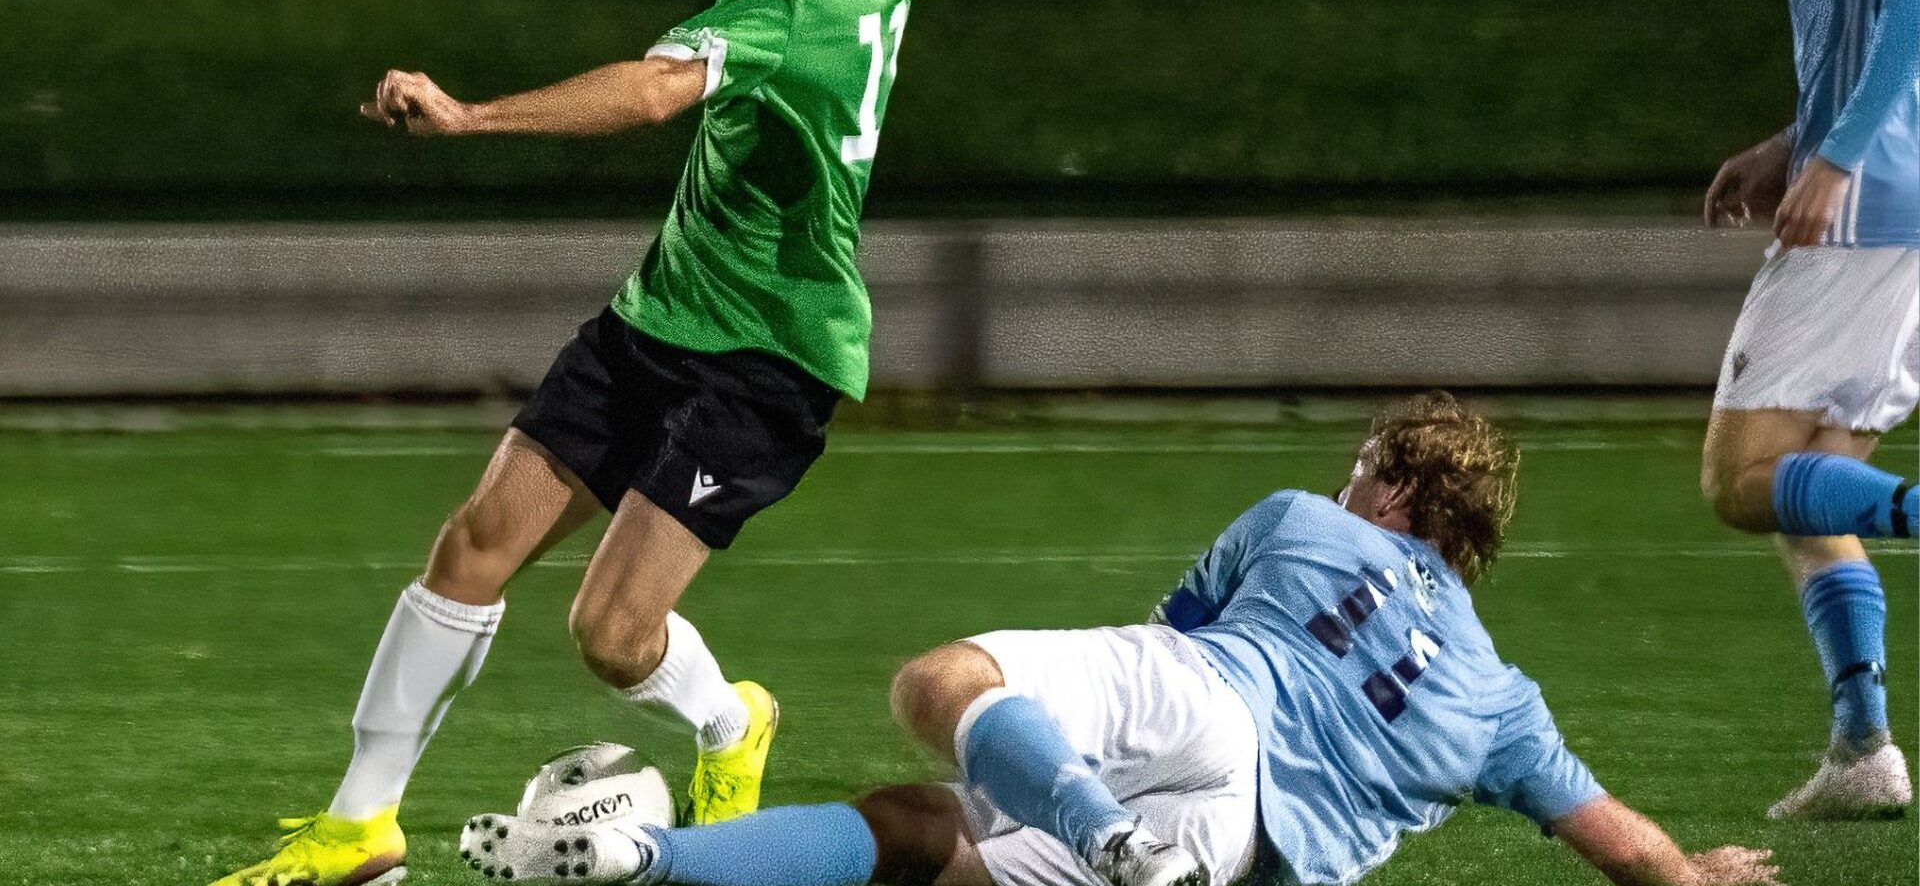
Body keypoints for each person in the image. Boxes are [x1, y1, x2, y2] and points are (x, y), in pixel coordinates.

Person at [206, 0, 1021, 883]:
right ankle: (360, 825)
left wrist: (470, 118)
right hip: (654, 321)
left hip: (767, 363)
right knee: (471, 547)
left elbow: (651, 90)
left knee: (611, 634)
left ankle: (729, 723)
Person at [458, 393, 1782, 886]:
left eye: (1361, 467)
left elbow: (1170, 637)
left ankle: (1095, 829)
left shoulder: (1301, 524)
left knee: (944, 685)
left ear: (1403, 492)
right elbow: (1621, 844)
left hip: (1198, 699)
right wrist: (1702, 874)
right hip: (1240, 851)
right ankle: (639, 859)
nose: (1344, 485)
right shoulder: (1503, 700)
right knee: (931, 846)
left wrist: (1063, 781)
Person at [1699, 0, 1918, 820]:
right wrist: (1800, 137)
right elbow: (1882, 29)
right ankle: (1863, 749)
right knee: (1814, 495)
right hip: (1901, 206)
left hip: (1867, 210)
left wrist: (1833, 159)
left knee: (1741, 480)